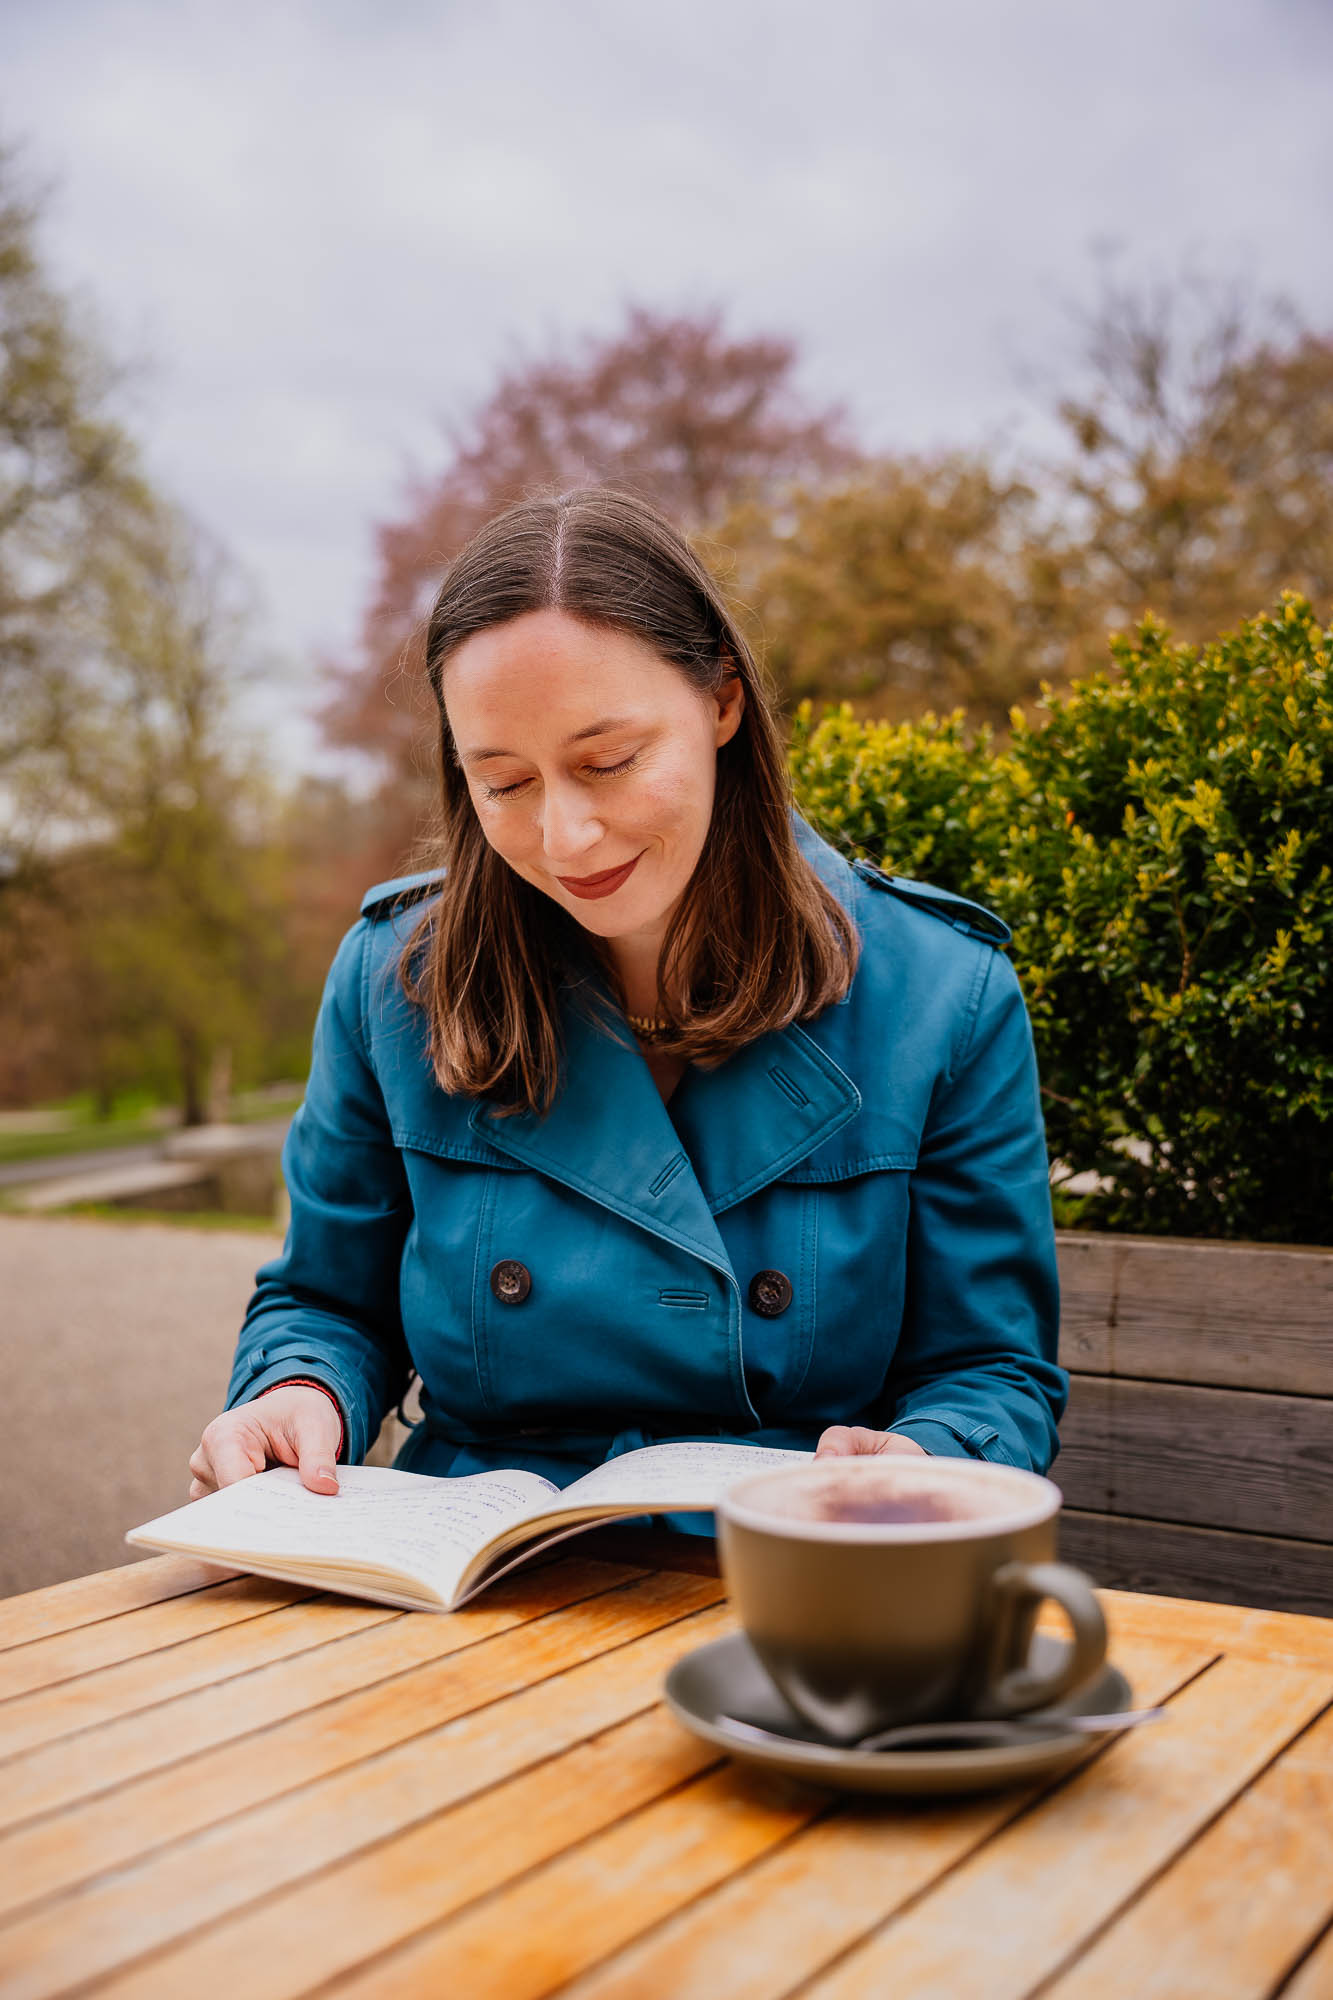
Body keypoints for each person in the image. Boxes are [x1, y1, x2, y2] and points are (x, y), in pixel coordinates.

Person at [189, 487, 1065, 1513]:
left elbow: (991, 1370)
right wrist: (298, 1389)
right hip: (472, 1566)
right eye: (504, 781)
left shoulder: (941, 991)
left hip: (791, 1567)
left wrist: (922, 1461)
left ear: (723, 702)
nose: (564, 837)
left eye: (608, 761)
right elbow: (327, 1300)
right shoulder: (395, 981)